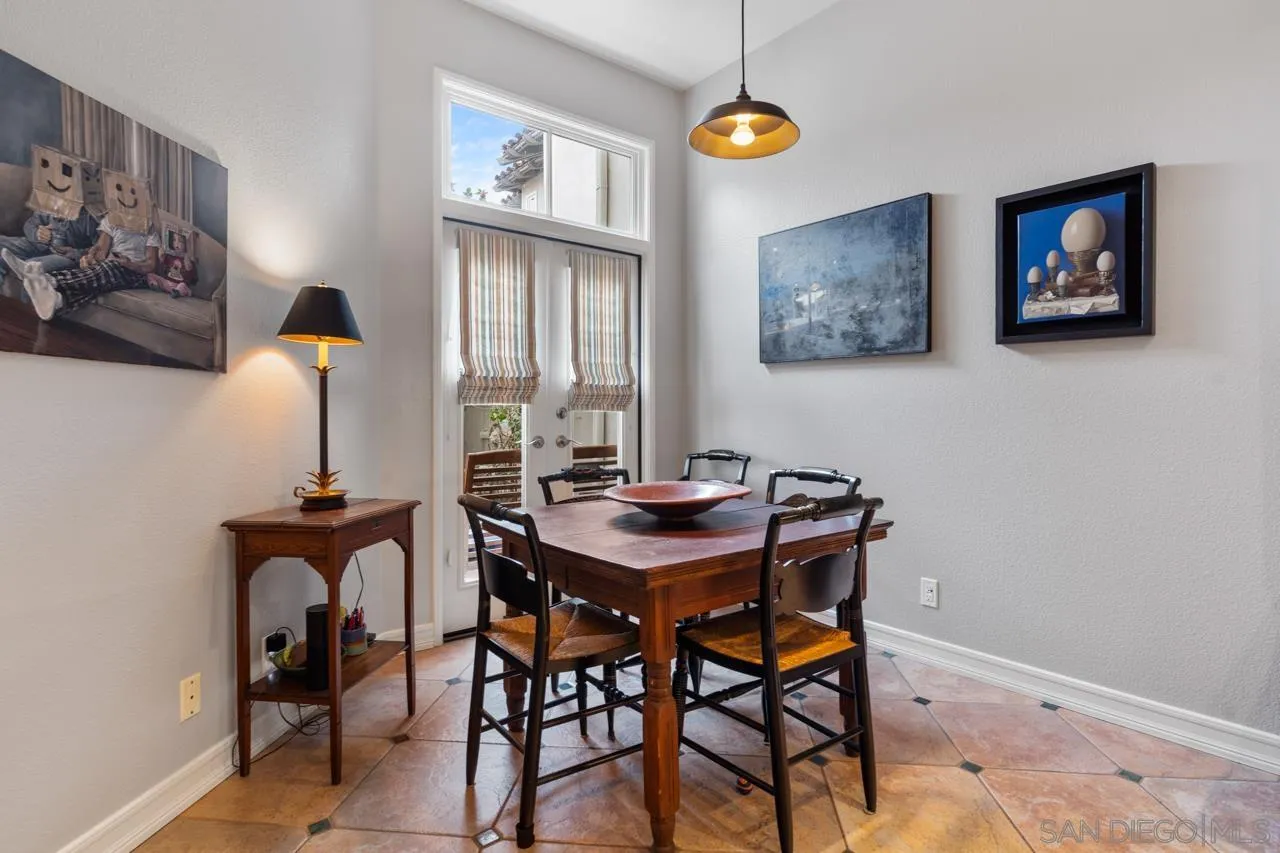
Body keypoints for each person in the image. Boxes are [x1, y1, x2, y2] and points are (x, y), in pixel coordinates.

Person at [2, 169, 160, 321]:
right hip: (42, 246)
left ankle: (39, 283)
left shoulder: (93, 217)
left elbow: (149, 263)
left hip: (75, 258)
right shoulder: (108, 220)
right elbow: (99, 250)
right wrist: (37, 233)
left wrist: (80, 254)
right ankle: (46, 290)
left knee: (34, 269)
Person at [0, 146, 103, 277]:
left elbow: (98, 250)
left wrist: (75, 253)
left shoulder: (88, 216)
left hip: (65, 256)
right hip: (39, 245)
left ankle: (27, 270)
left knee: (32, 268)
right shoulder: (50, 201)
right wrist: (37, 233)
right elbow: (30, 224)